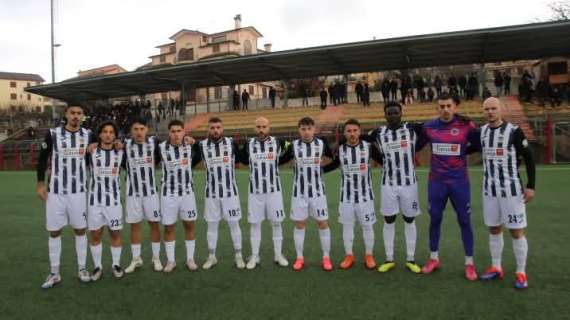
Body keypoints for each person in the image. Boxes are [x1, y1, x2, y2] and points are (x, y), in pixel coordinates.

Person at [421, 93, 481, 281]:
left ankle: (469, 263)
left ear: (455, 106)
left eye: (448, 106)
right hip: (436, 182)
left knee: (464, 220)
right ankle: (433, 258)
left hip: (459, 182)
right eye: (441, 106)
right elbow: (416, 145)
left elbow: (479, 145)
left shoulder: (466, 125)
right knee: (435, 219)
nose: (445, 109)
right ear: (437, 108)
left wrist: (462, 150)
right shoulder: (428, 126)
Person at [477, 97, 535, 289]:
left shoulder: (514, 131)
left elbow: (529, 157)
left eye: (494, 108)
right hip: (490, 190)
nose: (490, 112)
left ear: (500, 110)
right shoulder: (482, 132)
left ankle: (521, 272)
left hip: (511, 191)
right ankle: (496, 267)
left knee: (516, 231)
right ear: (483, 112)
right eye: (487, 109)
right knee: (494, 228)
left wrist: (531, 185)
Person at [364, 101, 427, 274]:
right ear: (385, 115)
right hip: (388, 185)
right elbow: (361, 139)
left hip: (409, 184)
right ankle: (389, 259)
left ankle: (410, 259)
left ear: (401, 113)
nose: (392, 116)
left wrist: (418, 147)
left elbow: (432, 129)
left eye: (395, 113)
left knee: (409, 219)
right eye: (389, 113)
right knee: (389, 219)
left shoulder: (412, 129)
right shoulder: (379, 132)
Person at [37, 105, 93, 289]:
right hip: (56, 192)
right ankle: (54, 273)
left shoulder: (88, 135)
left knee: (80, 230)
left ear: (83, 116)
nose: (76, 116)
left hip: (78, 193)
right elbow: (42, 158)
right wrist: (40, 183)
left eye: (79, 113)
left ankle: (82, 269)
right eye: (72, 113)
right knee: (54, 232)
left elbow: (107, 144)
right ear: (66, 115)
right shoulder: (52, 134)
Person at [323, 119, 382, 270]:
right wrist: (316, 170)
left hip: (366, 197)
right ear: (344, 133)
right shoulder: (340, 149)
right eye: (349, 131)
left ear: (360, 131)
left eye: (355, 130)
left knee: (367, 226)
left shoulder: (368, 147)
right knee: (347, 227)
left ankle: (369, 255)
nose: (352, 134)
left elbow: (384, 160)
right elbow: (333, 165)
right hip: (346, 198)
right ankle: (349, 255)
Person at [281, 117, 334, 271]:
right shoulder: (293, 146)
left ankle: (326, 257)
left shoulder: (321, 144)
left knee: (323, 223)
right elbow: (281, 160)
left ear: (314, 129)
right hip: (299, 193)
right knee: (300, 224)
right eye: (303, 129)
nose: (306, 132)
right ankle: (299, 258)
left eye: (309, 128)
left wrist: (322, 170)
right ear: (299, 130)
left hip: (318, 193)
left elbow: (332, 160)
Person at [239, 117, 290, 269]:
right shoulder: (249, 144)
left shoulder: (279, 142)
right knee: (255, 224)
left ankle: (278, 254)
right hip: (255, 192)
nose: (261, 130)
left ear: (269, 127)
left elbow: (292, 149)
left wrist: (279, 162)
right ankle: (255, 256)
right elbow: (241, 158)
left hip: (274, 191)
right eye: (258, 127)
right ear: (255, 128)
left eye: (264, 127)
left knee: (276, 222)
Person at [195, 117, 245, 269]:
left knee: (234, 224)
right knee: (212, 225)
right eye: (212, 128)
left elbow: (243, 158)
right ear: (208, 130)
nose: (215, 130)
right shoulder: (201, 145)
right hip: (211, 194)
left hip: (230, 193)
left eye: (218, 127)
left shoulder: (231, 143)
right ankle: (212, 256)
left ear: (222, 129)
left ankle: (238, 255)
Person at [158, 120, 201, 272]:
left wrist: (194, 142)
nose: (176, 134)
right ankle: (171, 261)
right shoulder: (160, 148)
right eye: (173, 131)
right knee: (169, 227)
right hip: (168, 195)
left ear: (184, 132)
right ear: (169, 133)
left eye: (179, 131)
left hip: (187, 194)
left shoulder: (190, 146)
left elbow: (199, 156)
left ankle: (190, 259)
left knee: (189, 225)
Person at [123, 119, 163, 274]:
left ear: (147, 129)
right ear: (131, 131)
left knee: (154, 224)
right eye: (135, 129)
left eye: (141, 128)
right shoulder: (124, 144)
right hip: (132, 194)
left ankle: (156, 258)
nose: (139, 132)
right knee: (135, 226)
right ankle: (136, 259)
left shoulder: (155, 143)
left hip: (151, 193)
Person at [87, 121, 126, 280]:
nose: (108, 134)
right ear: (100, 134)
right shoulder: (90, 152)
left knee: (115, 233)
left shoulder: (121, 152)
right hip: (95, 202)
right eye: (105, 131)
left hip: (114, 202)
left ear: (115, 135)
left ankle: (116, 264)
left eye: (111, 132)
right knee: (96, 234)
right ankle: (97, 267)